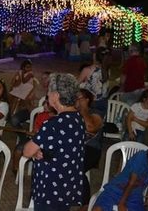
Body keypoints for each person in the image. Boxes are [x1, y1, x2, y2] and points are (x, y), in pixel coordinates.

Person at [23, 72, 86, 211]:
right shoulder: (78, 119)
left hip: (51, 186)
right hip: (67, 183)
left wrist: (35, 151)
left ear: (56, 96)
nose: (47, 95)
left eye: (49, 92)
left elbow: (27, 151)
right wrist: (40, 152)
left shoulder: (54, 124)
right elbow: (61, 148)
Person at [92, 144, 148, 211]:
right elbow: (131, 182)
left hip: (135, 194)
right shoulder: (141, 157)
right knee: (98, 209)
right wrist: (121, 203)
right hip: (116, 187)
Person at [75, 88, 104, 206]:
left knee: (77, 169)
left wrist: (83, 109)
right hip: (75, 148)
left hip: (91, 149)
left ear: (87, 100)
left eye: (79, 98)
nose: (76, 100)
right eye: (75, 98)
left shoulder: (96, 113)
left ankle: (85, 205)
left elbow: (91, 128)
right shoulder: (72, 112)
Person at [78, 47, 111, 117]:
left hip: (91, 104)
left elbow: (76, 85)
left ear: (95, 56)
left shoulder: (88, 70)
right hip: (104, 103)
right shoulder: (107, 70)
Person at [7, 59, 35, 127]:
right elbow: (14, 81)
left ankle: (16, 116)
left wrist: (21, 74)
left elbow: (24, 81)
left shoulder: (30, 74)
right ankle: (10, 114)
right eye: (27, 67)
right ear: (23, 67)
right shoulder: (19, 72)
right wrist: (13, 85)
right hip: (20, 88)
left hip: (27, 88)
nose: (29, 69)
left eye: (30, 67)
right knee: (12, 97)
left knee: (20, 99)